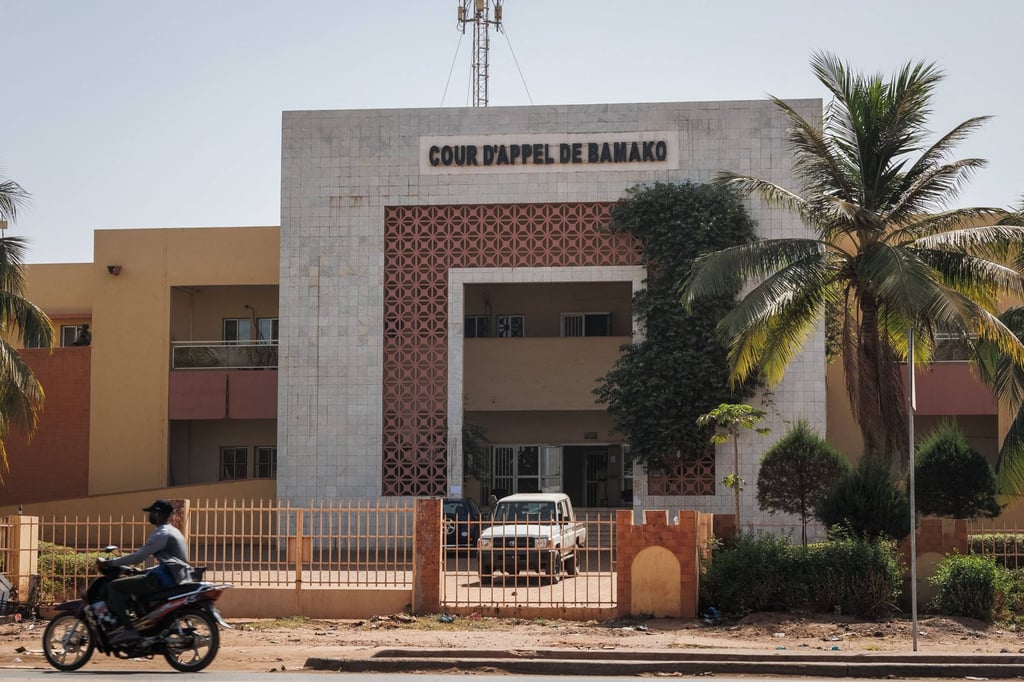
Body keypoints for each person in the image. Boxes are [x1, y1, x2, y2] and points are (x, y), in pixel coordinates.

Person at [98, 499, 192, 645]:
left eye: (152, 513)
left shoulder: (162, 533)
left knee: (114, 586)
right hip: (174, 576)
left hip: (165, 580)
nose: (150, 516)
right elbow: (169, 562)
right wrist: (144, 571)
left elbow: (139, 556)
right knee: (136, 581)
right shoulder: (174, 531)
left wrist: (110, 562)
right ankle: (143, 625)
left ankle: (129, 629)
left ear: (159, 514)